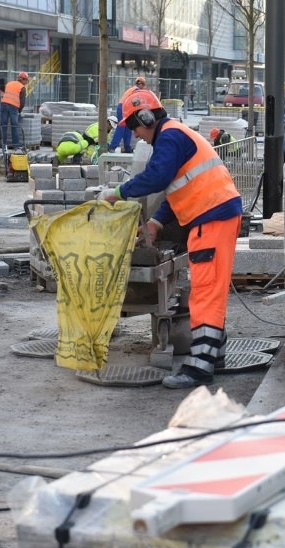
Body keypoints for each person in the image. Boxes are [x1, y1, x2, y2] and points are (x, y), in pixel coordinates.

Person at [98, 89, 243, 390]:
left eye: (134, 126)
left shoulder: (169, 138)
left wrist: (118, 193)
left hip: (211, 217)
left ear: (145, 116)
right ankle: (213, 353)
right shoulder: (174, 134)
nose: (136, 135)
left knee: (204, 292)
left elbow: (157, 177)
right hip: (215, 214)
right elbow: (176, 188)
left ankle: (200, 368)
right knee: (210, 288)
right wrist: (156, 222)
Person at [109, 76, 146, 154]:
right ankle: (112, 146)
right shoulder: (137, 90)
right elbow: (136, 102)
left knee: (128, 128)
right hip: (124, 107)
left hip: (124, 107)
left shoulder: (132, 89)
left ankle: (127, 148)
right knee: (121, 127)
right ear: (142, 85)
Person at [0, 71, 29, 149]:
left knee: (3, 125)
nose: (26, 83)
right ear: (23, 80)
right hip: (13, 107)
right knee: (14, 126)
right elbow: (22, 102)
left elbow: (2, 93)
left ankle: (2, 144)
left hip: (4, 104)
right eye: (26, 81)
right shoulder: (22, 88)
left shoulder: (9, 83)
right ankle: (15, 145)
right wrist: (19, 111)